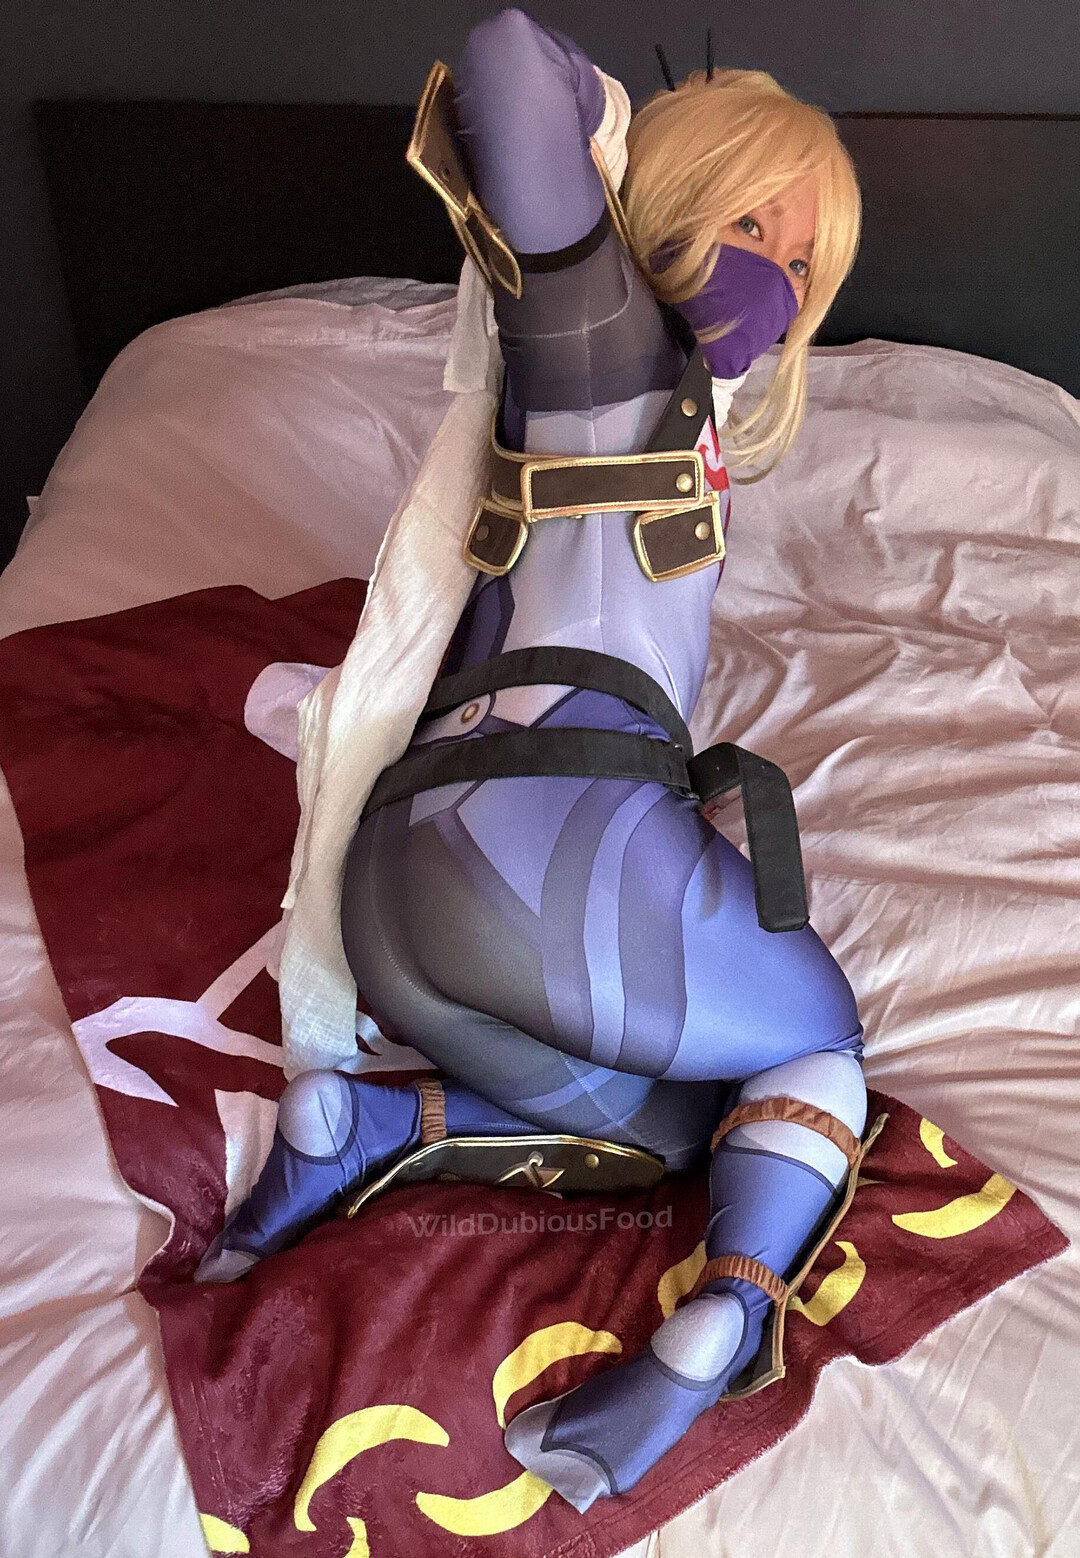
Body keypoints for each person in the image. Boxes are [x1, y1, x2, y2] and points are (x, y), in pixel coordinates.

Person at [198, 8, 866, 1512]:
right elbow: (502, 56)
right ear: (665, 202)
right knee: (815, 1047)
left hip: (411, 893)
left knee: (677, 1127)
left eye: (803, 261)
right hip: (554, 852)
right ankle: (726, 1318)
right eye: (748, 221)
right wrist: (610, 150)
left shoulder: (626, 393)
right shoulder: (598, 329)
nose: (776, 276)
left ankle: (364, 1124)